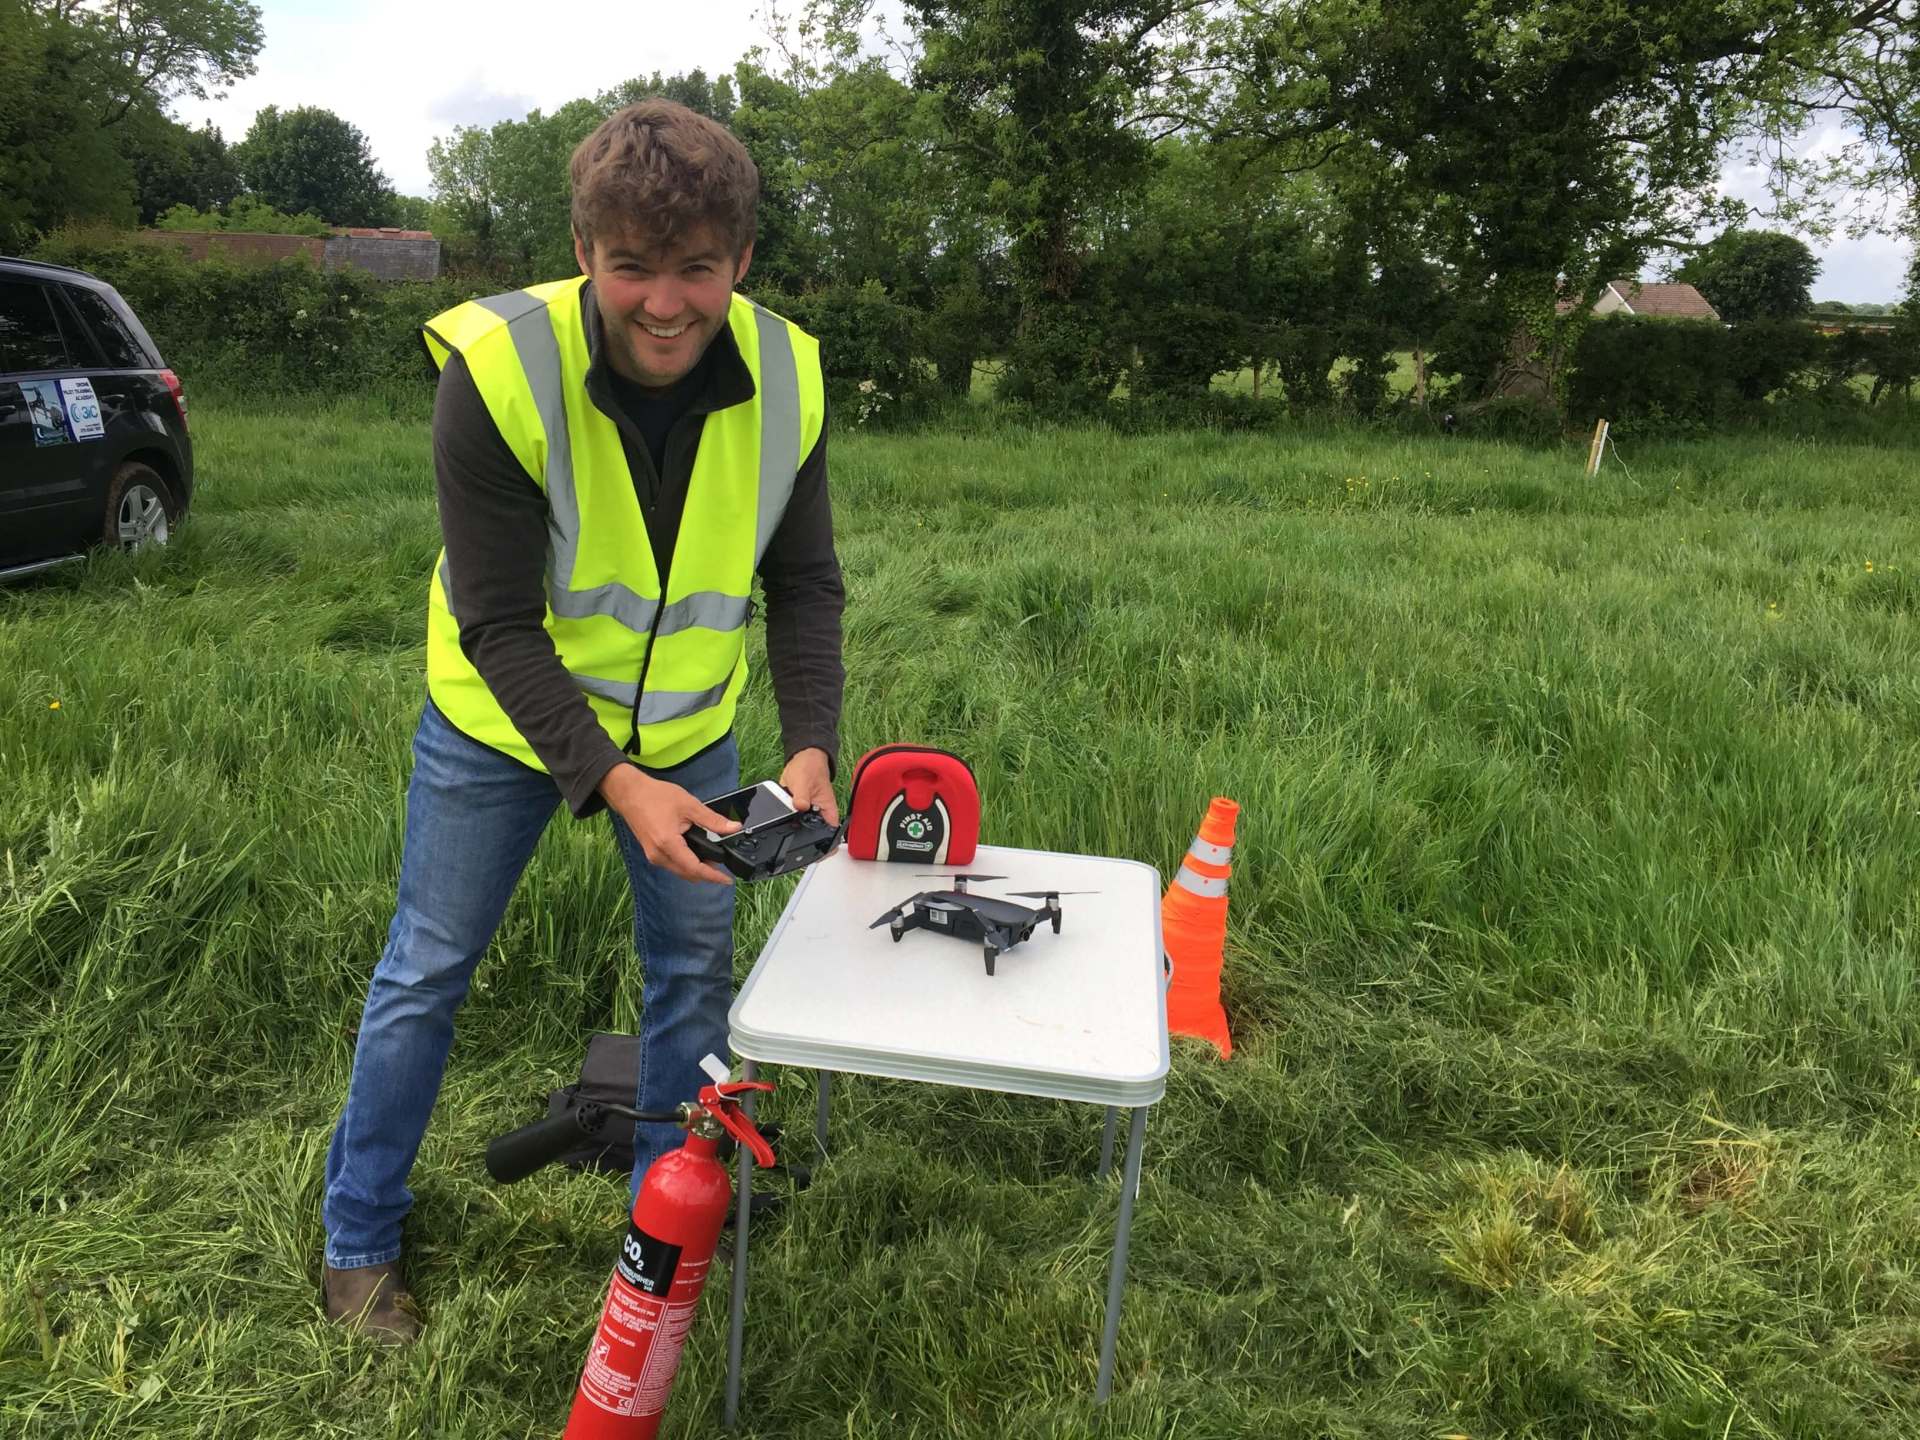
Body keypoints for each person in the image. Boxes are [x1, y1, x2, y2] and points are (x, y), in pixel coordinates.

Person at [320, 100, 845, 1342]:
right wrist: (614, 779)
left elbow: (805, 582)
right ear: (583, 252)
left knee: (693, 977)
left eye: (697, 269)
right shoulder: (499, 371)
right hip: (500, 729)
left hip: (690, 730)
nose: (665, 303)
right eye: (632, 268)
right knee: (427, 970)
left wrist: (813, 741)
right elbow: (500, 625)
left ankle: (672, 1214)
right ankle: (359, 1238)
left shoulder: (790, 373)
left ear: (742, 260)